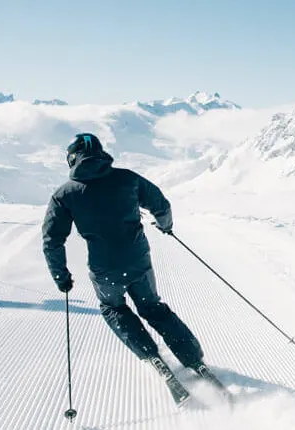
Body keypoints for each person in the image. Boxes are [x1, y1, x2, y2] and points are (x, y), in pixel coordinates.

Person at [42, 133, 211, 387]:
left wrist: (61, 276)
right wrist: (166, 226)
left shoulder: (64, 195)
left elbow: (52, 240)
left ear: (72, 159)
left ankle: (151, 356)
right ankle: (193, 359)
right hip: (138, 260)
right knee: (153, 307)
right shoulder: (127, 178)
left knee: (114, 309)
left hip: (104, 269)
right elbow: (161, 204)